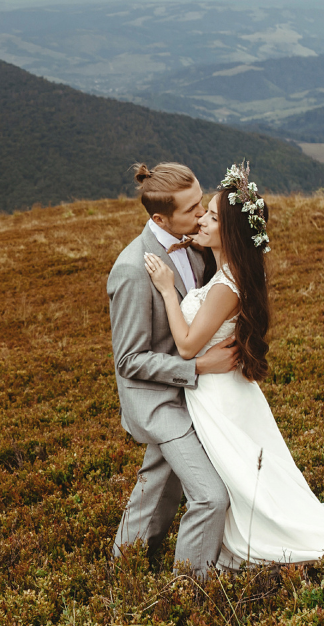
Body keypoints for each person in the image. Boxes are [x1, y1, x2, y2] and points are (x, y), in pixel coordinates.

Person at [141, 162, 324, 573]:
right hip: (224, 390)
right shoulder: (226, 271)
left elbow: (186, 344)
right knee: (244, 475)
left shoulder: (226, 284)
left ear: (229, 231)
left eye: (211, 216)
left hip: (217, 395)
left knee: (243, 477)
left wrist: (165, 290)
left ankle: (237, 546)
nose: (201, 220)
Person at [108, 162, 238, 578]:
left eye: (202, 203)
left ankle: (124, 564)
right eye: (192, 210)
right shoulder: (131, 270)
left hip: (193, 392)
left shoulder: (196, 244)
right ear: (159, 218)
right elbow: (128, 360)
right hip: (158, 401)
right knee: (210, 495)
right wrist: (199, 366)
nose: (202, 215)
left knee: (160, 478)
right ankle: (188, 589)